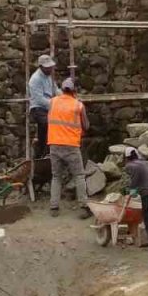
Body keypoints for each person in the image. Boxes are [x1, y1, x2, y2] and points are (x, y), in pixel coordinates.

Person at [46, 78, 92, 219]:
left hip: (54, 144)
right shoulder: (78, 105)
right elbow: (86, 126)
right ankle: (84, 206)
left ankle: (54, 207)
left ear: (62, 89)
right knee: (79, 175)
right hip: (71, 145)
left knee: (56, 176)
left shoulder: (52, 102)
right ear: (74, 91)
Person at [27, 54, 59, 158]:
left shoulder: (49, 76)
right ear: (41, 67)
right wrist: (55, 104)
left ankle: (51, 149)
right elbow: (39, 99)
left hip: (50, 106)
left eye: (50, 67)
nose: (50, 69)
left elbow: (56, 90)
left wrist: (65, 98)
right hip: (38, 108)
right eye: (47, 67)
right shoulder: (35, 79)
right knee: (47, 124)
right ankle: (42, 151)